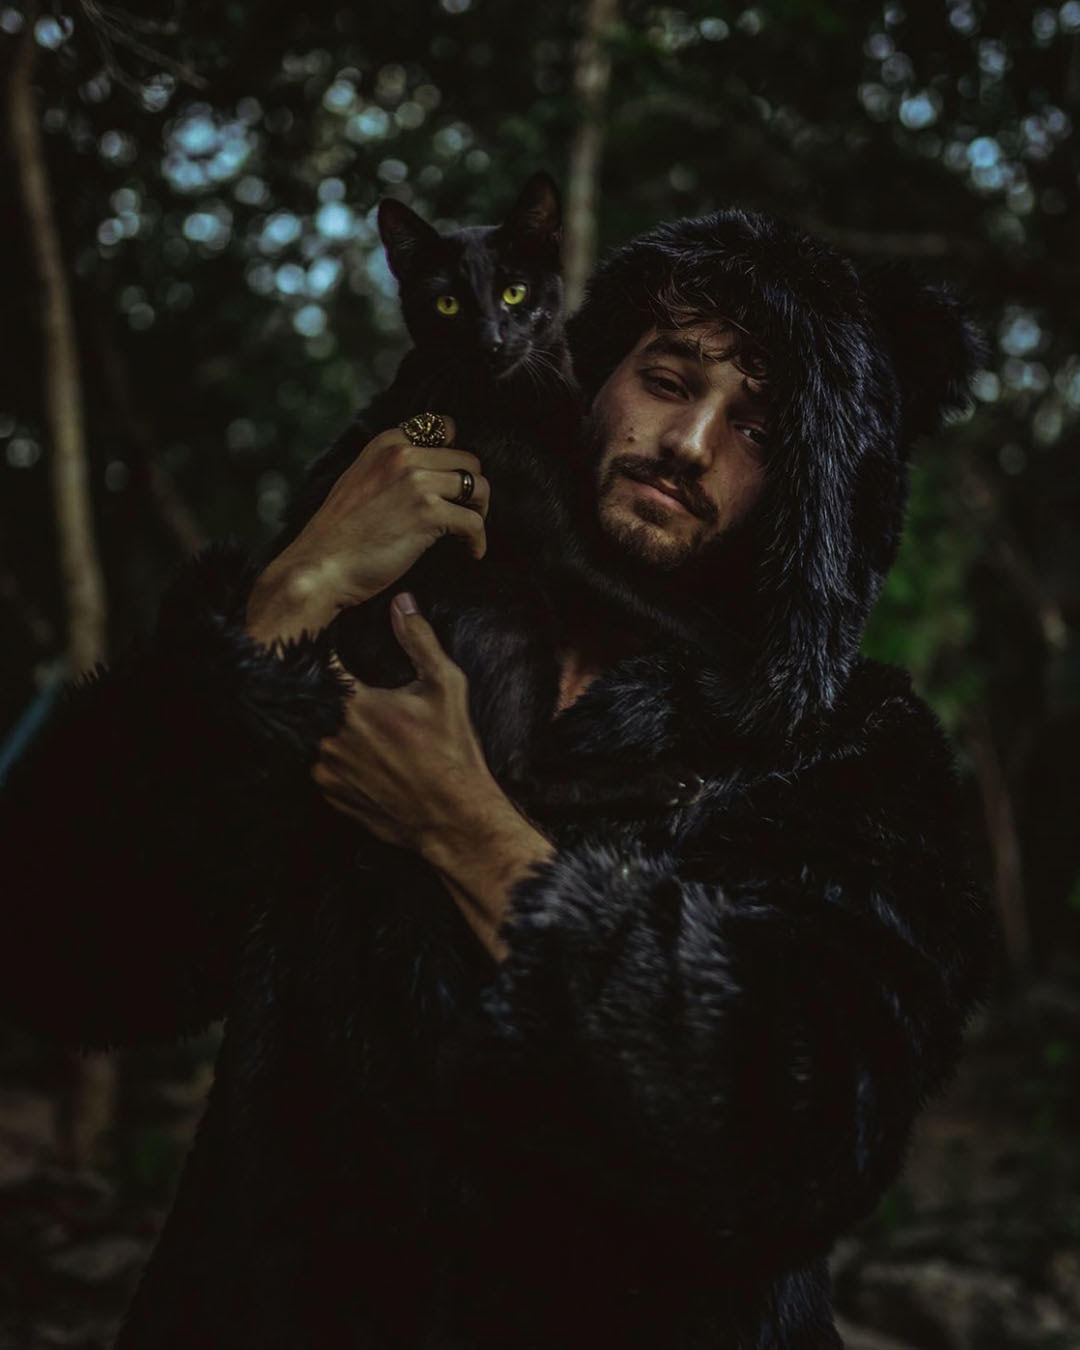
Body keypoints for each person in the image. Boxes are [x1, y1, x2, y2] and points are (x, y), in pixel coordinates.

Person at [0, 207, 993, 1348]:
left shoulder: (851, 757)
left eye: (761, 431)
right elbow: (62, 958)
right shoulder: (389, 625)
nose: (690, 441)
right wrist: (287, 598)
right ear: (593, 374)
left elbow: (794, 1143)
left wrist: (469, 837)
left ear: (812, 491)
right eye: (669, 380)